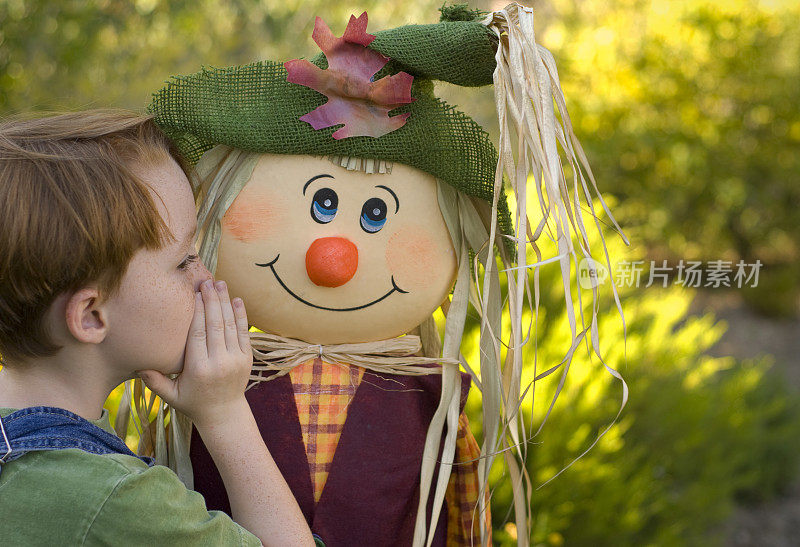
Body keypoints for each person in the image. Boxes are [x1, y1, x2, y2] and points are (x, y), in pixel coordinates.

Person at [0, 110, 314, 546]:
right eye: (184, 260)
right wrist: (224, 415)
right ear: (91, 316)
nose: (208, 278)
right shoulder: (112, 499)